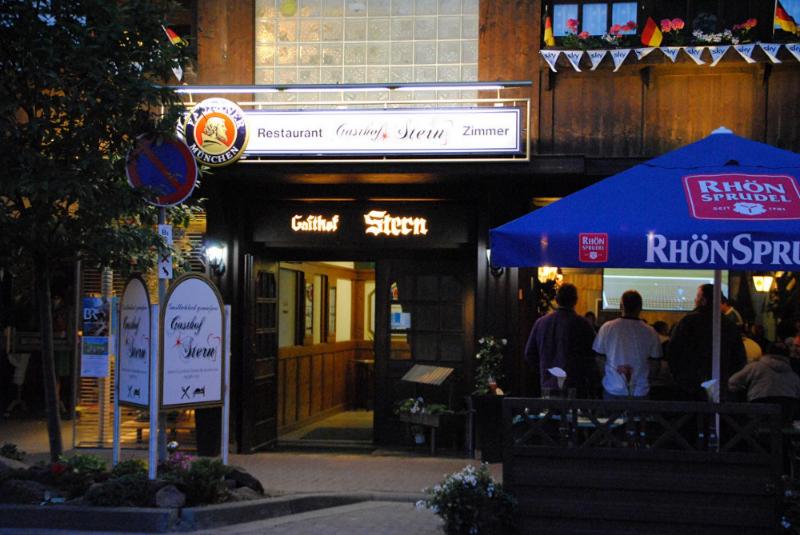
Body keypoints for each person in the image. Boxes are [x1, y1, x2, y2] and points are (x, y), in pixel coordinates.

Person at [668, 284, 746, 401]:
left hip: (690, 385)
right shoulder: (729, 325)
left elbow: (673, 351)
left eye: (698, 296)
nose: (695, 299)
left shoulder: (688, 322)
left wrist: (681, 377)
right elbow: (739, 357)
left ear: (703, 300)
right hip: (721, 383)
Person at [524, 283, 596, 397]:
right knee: (575, 414)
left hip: (548, 386)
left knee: (550, 414)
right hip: (576, 386)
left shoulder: (541, 323)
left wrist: (544, 369)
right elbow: (592, 356)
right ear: (575, 300)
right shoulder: (583, 324)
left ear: (557, 300)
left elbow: (529, 354)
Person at [592, 290, 662, 399]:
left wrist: (607, 376)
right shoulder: (650, 332)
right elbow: (655, 363)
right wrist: (648, 380)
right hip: (640, 390)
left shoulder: (607, 328)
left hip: (613, 387)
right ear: (640, 307)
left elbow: (599, 358)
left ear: (621, 306)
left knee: (610, 416)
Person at [728, 342, 800, 421]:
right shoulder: (792, 375)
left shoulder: (754, 367)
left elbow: (732, 382)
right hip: (785, 415)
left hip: (757, 413)